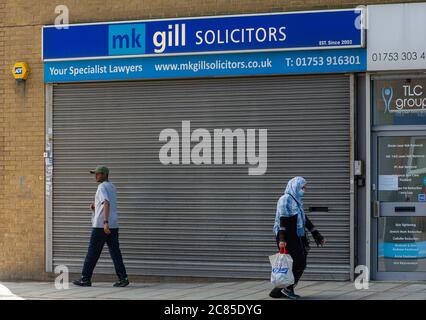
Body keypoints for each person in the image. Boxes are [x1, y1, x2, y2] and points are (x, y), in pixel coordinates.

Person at [73, 165, 129, 287]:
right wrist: (95, 207)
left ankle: (85, 279)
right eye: (95, 174)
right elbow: (107, 203)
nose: (95, 176)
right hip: (113, 225)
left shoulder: (102, 186)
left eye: (98, 174)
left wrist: (105, 222)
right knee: (115, 253)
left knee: (92, 252)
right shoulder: (112, 187)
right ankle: (123, 278)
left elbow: (107, 203)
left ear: (104, 175)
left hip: (101, 226)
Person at [269, 176, 325, 299]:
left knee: (298, 263)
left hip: (296, 235)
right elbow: (282, 220)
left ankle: (280, 290)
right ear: (295, 187)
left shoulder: (297, 201)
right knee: (298, 262)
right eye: (302, 187)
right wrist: (282, 240)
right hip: (286, 236)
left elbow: (304, 220)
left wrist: (317, 234)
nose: (305, 189)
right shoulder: (285, 199)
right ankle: (286, 289)